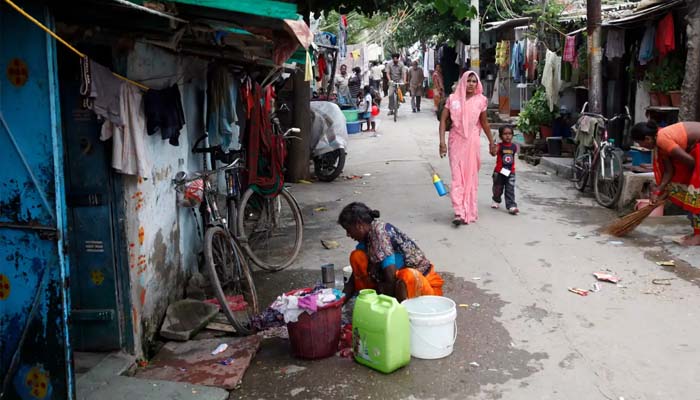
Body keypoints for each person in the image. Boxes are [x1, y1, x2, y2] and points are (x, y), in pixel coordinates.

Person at [338, 202, 444, 302]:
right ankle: (368, 297)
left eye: (348, 229)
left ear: (359, 225)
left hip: (423, 287)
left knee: (406, 276)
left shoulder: (380, 234)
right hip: (397, 286)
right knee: (357, 257)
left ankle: (398, 311)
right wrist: (339, 302)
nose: (348, 234)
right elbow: (353, 279)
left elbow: (391, 276)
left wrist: (382, 305)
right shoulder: (367, 238)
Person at [439, 71, 497, 226]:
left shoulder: (481, 100)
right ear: (463, 82)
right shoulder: (452, 99)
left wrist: (492, 143)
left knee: (470, 177)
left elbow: (484, 123)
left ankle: (469, 209)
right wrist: (442, 142)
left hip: (472, 142)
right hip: (456, 141)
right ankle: (458, 211)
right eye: (469, 80)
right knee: (457, 177)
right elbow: (443, 120)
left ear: (477, 84)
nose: (471, 84)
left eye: (474, 81)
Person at [631, 121, 700, 246]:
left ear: (647, 138)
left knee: (695, 195)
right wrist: (658, 191)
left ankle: (698, 236)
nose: (641, 146)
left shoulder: (662, 139)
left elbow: (691, 162)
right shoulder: (659, 142)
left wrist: (691, 181)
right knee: (677, 188)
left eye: (640, 143)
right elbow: (669, 171)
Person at [491, 125, 519, 215]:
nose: (507, 136)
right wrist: (493, 145)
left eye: (510, 134)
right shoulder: (499, 146)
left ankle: (511, 206)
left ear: (512, 135)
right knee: (497, 188)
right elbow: (493, 153)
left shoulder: (514, 147)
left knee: (510, 189)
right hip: (499, 172)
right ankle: (496, 200)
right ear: (500, 136)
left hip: (511, 172)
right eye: (505, 134)